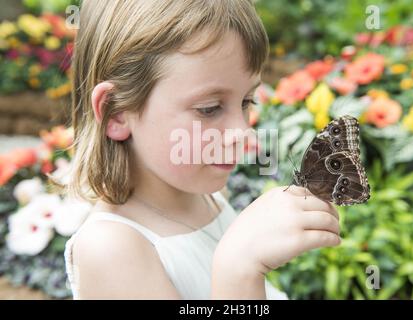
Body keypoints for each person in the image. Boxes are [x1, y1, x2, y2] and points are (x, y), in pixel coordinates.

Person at [63, 0, 341, 299]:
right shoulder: (111, 249)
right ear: (115, 112)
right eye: (209, 109)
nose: (241, 132)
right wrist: (238, 269)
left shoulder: (205, 197)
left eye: (247, 101)